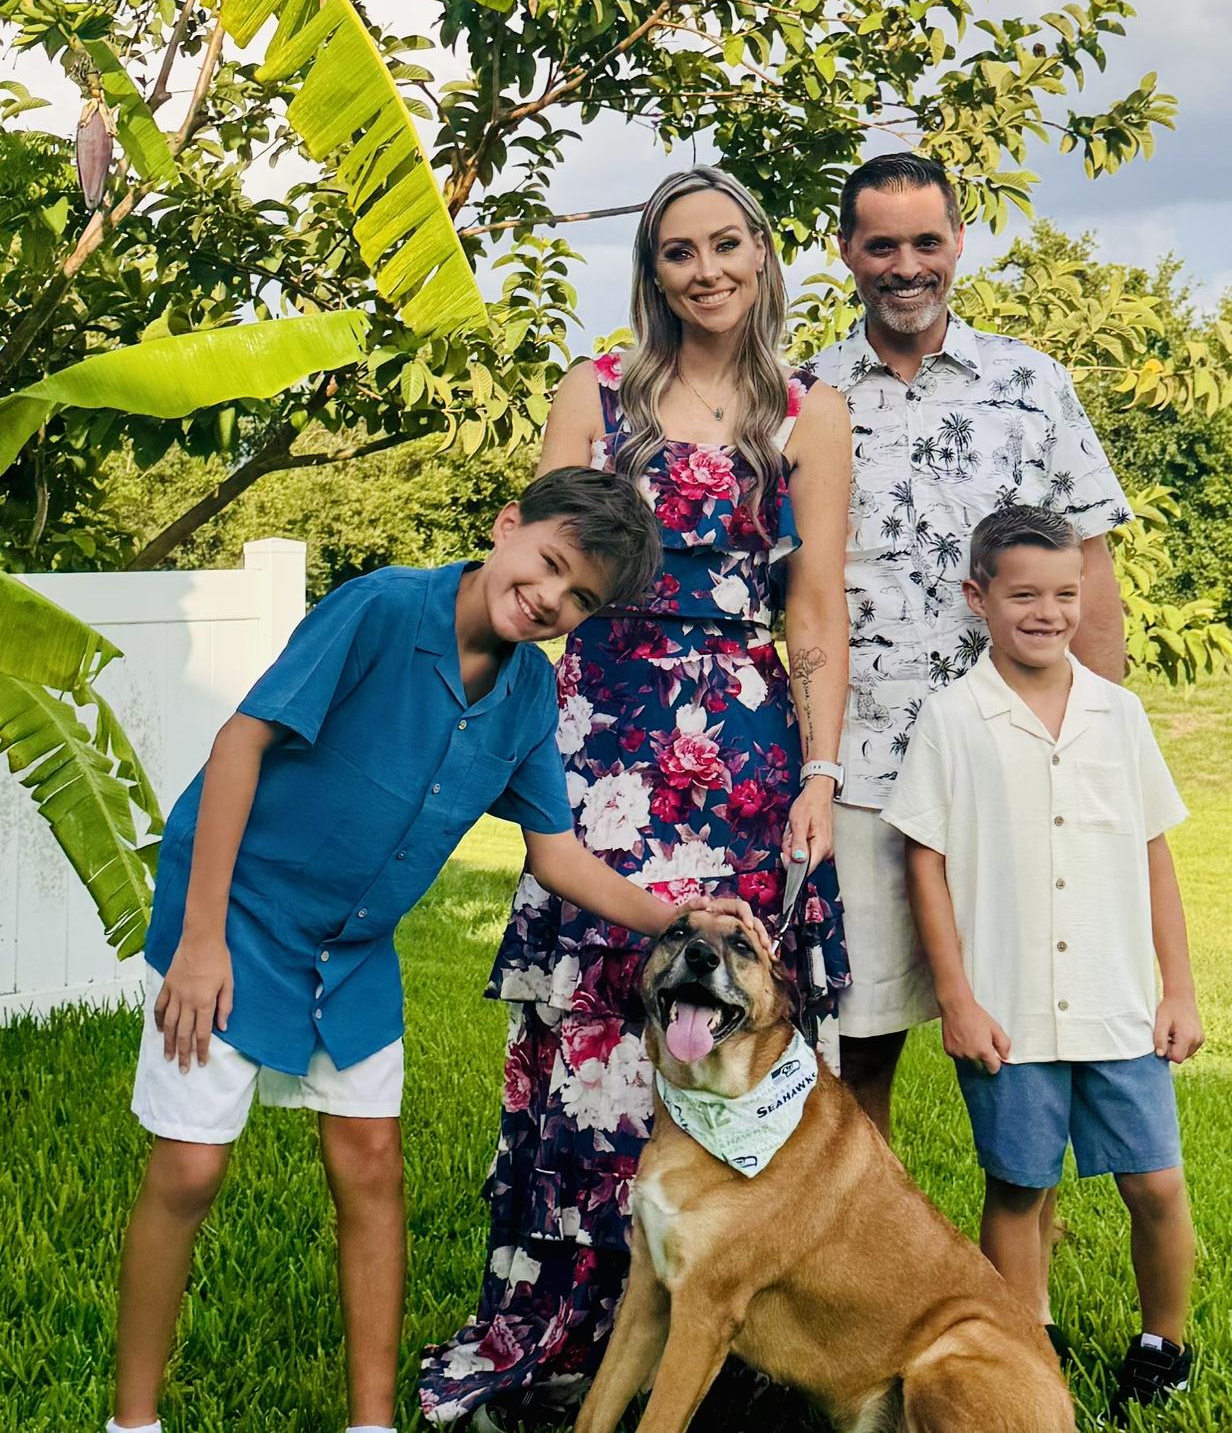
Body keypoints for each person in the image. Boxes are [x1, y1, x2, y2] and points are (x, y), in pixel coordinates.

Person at [108, 468, 767, 1433]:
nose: (550, 599)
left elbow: (555, 854)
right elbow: (240, 744)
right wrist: (201, 943)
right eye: (549, 564)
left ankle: (372, 1423)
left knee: (373, 1166)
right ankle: (132, 1421)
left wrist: (678, 918)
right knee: (191, 1171)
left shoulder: (529, 693)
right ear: (507, 525)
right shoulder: (379, 609)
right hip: (238, 918)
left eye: (581, 598)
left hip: (352, 953)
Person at [418, 165, 852, 1426]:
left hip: (747, 749)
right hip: (604, 732)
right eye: (678, 251)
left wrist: (820, 771)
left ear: (762, 254)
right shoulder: (596, 390)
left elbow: (814, 609)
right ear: (651, 271)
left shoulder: (810, 411)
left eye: (726, 245)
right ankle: (565, 1327)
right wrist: (506, 724)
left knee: (730, 1016)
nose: (706, 271)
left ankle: (725, 1327)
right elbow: (542, 565)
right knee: (597, 1024)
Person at [805, 151, 1134, 1140]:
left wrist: (1099, 740)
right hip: (860, 763)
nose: (907, 266)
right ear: (846, 251)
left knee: (1022, 1031)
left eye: (926, 241)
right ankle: (861, 1226)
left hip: (1009, 759)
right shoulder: (805, 394)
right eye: (882, 245)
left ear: (958, 241)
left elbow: (1091, 570)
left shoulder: (1032, 383)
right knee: (857, 1038)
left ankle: (1020, 1232)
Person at [883, 505, 1204, 1419]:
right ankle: (1030, 1349)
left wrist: (1178, 989)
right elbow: (925, 862)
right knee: (1020, 1185)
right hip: (1008, 1007)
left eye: (1066, 593)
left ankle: (1164, 1346)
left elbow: (1153, 852)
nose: (1049, 612)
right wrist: (957, 999)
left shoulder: (1119, 714)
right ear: (977, 597)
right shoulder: (953, 717)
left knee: (1156, 1182)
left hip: (1117, 1002)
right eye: (1024, 595)